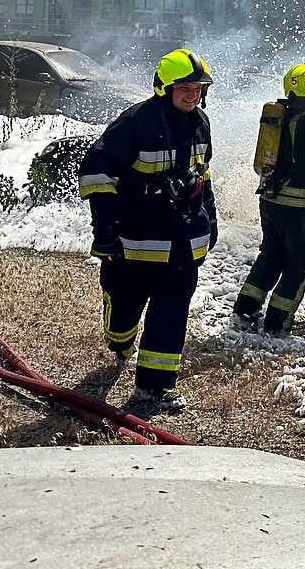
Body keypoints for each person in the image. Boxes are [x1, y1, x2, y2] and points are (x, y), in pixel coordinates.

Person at [77, 48, 216, 413]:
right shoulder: (135, 122)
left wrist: (210, 219)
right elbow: (96, 172)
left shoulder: (201, 123)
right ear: (165, 88)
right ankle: (120, 337)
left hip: (184, 241)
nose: (192, 94)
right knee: (125, 307)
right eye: (184, 87)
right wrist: (104, 228)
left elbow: (204, 176)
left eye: (197, 88)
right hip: (135, 239)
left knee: (171, 311)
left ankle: (155, 388)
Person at [232, 63, 305, 336]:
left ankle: (245, 310)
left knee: (271, 256)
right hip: (299, 205)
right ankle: (277, 323)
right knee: (301, 264)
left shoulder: (284, 113)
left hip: (272, 200)